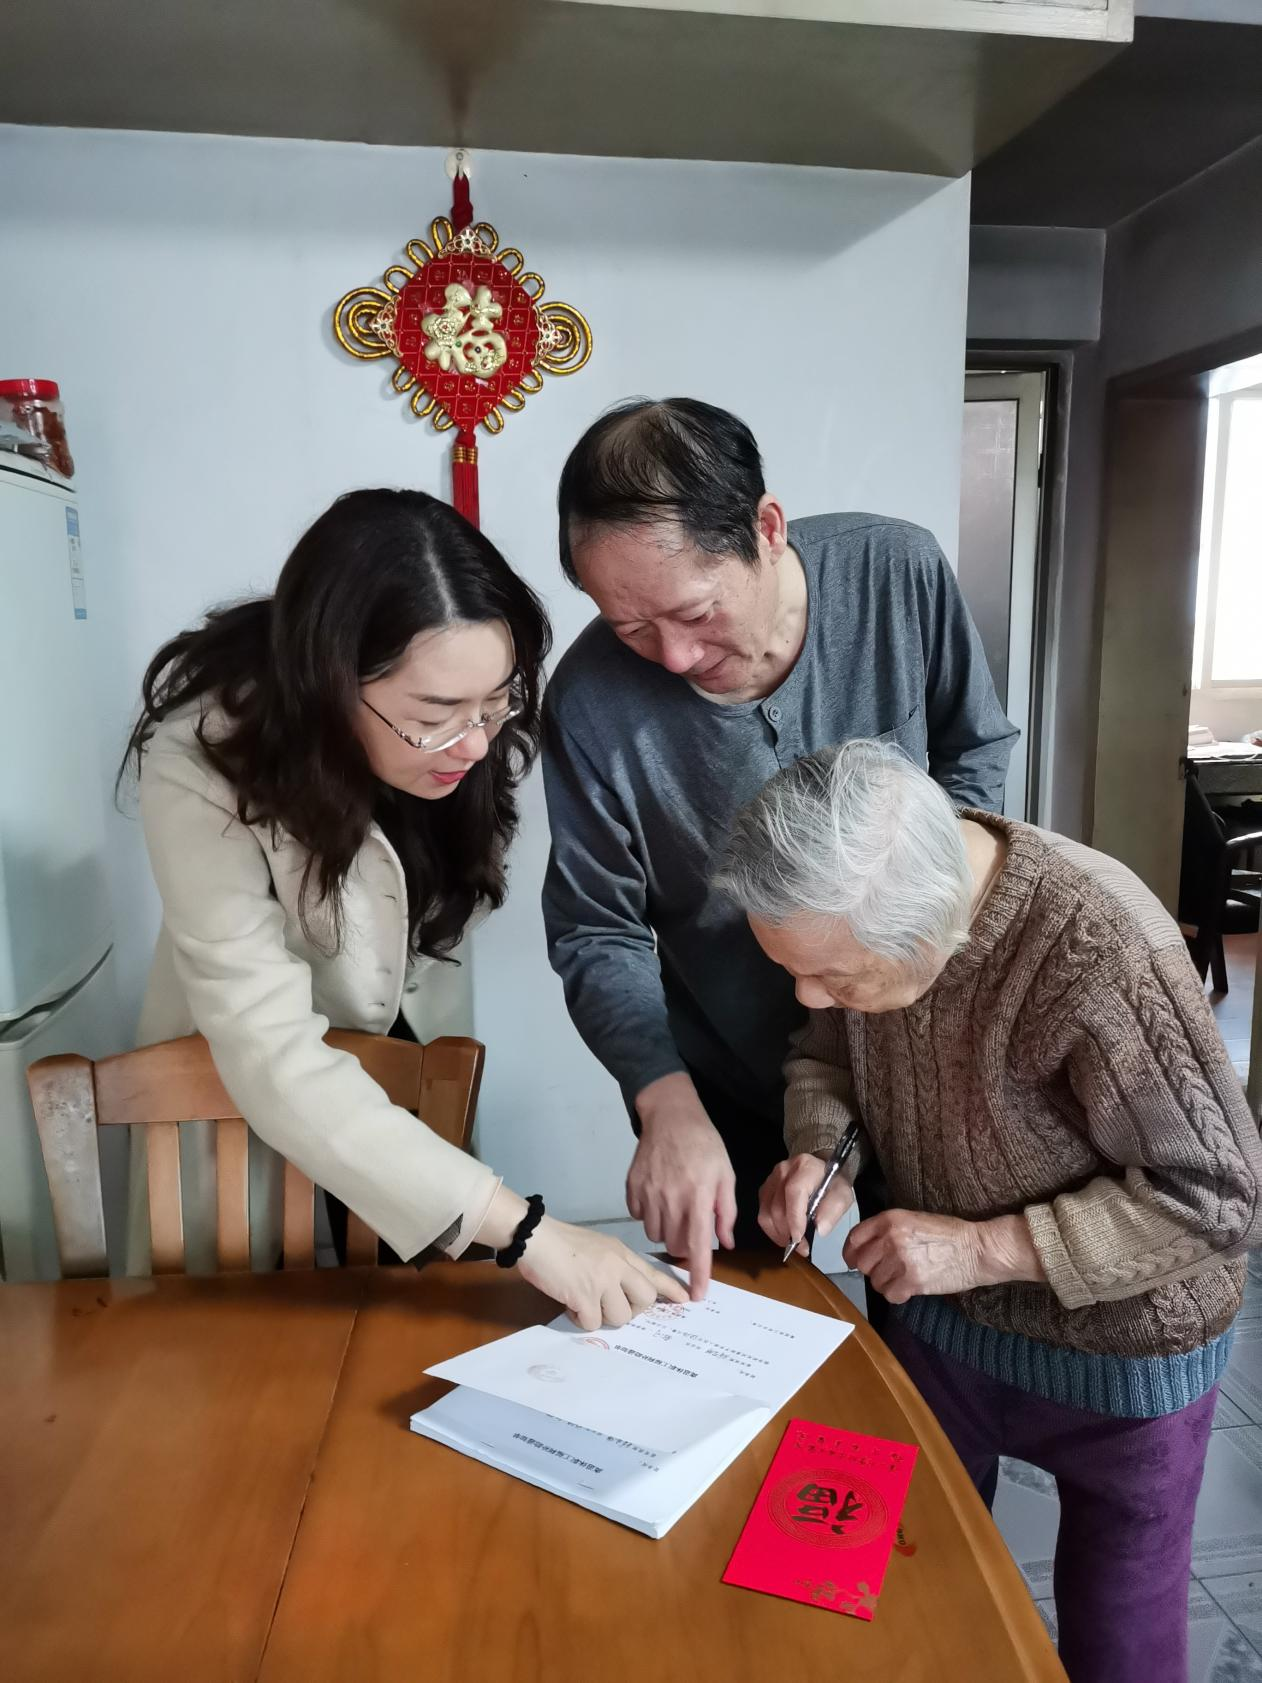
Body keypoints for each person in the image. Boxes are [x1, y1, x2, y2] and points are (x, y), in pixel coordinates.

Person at [714, 738, 1262, 1683]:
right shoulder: (858, 919)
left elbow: (1219, 1195)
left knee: (1121, 1632)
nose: (808, 995)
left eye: (836, 980)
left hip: (1132, 1346)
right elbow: (825, 1056)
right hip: (942, 1321)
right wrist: (824, 1152)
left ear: (936, 936)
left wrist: (983, 1249)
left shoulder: (1102, 947)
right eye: (797, 971)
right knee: (918, 1581)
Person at [122, 488, 686, 1328]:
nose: (475, 743)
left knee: (414, 1317)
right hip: (244, 1077)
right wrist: (529, 1230)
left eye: (494, 702)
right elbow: (271, 1052)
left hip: (400, 1055)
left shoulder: (465, 729)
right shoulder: (205, 756)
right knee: (247, 1337)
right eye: (435, 716)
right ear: (330, 682)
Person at [542, 397, 1017, 1299]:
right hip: (733, 1072)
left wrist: (917, 917)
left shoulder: (896, 571)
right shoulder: (588, 700)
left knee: (933, 1308)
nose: (673, 657)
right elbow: (596, 926)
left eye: (694, 612)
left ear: (765, 527)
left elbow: (976, 747)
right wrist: (662, 1096)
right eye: (630, 626)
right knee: (751, 1315)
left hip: (920, 1043)